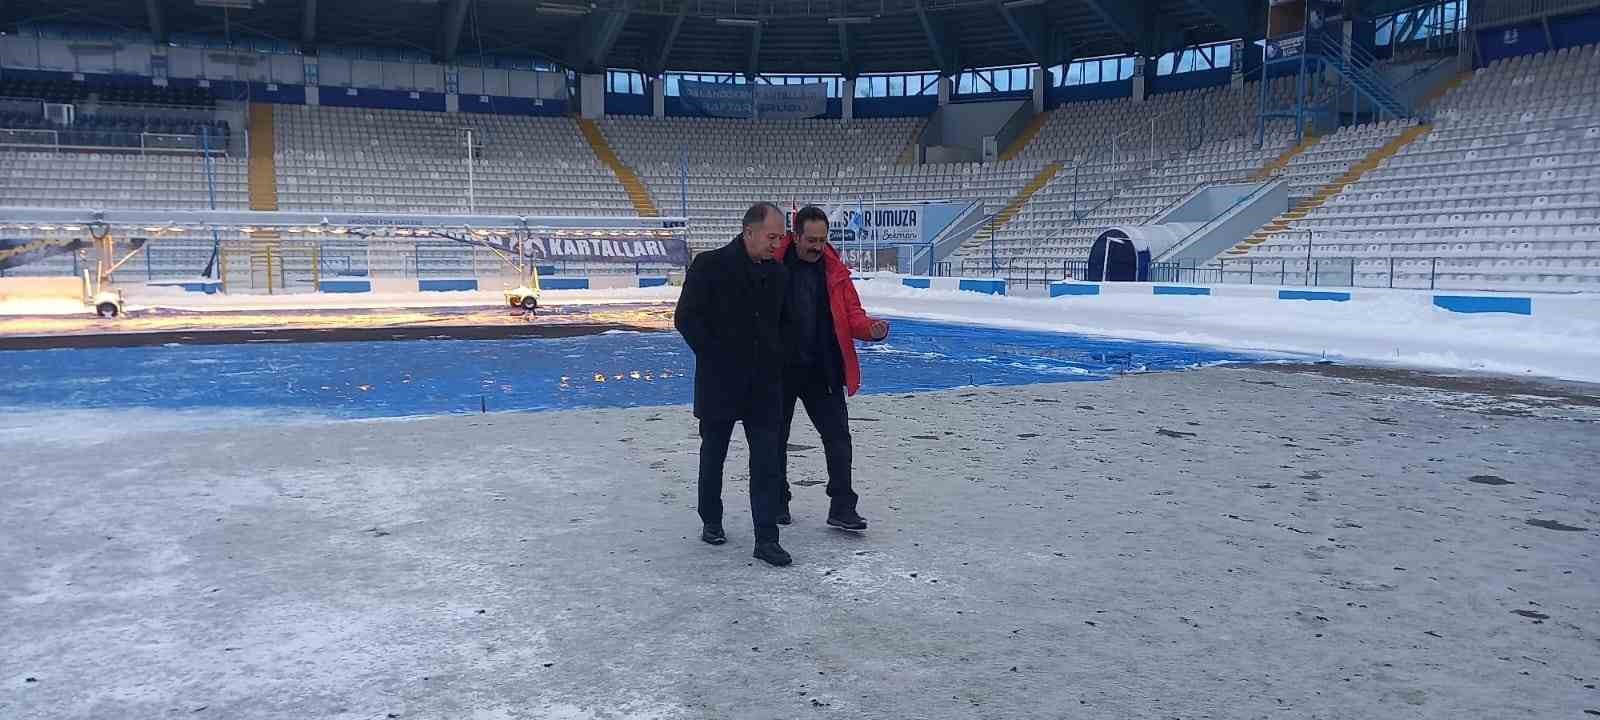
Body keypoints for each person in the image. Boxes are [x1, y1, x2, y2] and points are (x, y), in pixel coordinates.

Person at [674, 202, 794, 567]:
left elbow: (785, 324)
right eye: (772, 237)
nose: (777, 244)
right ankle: (711, 519)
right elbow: (686, 318)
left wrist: (779, 359)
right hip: (720, 383)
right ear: (749, 232)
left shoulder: (778, 273)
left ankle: (766, 538)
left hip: (764, 387)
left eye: (781, 237)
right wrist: (715, 356)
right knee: (714, 456)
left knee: (767, 461)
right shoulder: (709, 265)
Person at [773, 206, 889, 531]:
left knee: (838, 439)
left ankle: (842, 506)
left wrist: (870, 329)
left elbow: (853, 314)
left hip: (823, 368)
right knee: (774, 439)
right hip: (779, 371)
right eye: (811, 240)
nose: (817, 247)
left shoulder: (835, 271)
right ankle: (776, 500)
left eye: (822, 240)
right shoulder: (772, 266)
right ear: (795, 236)